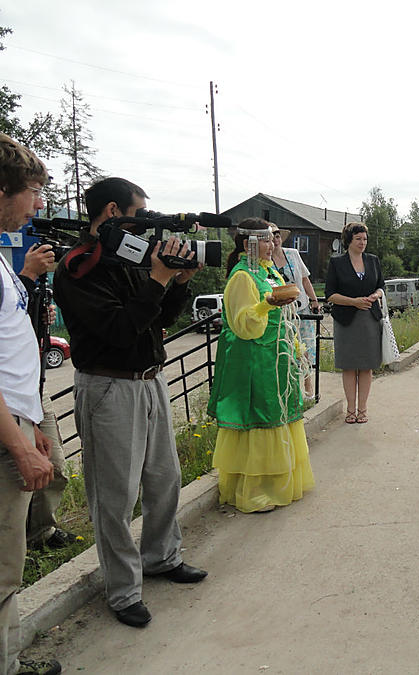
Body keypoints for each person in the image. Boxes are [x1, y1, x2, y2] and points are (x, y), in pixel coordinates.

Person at [53, 177, 207, 630]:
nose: (145, 229)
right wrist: (157, 278)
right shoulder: (79, 266)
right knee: (116, 495)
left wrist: (176, 283)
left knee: (164, 478)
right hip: (108, 387)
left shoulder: (129, 258)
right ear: (114, 212)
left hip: (150, 380)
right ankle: (123, 590)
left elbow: (157, 322)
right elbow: (121, 330)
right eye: (139, 217)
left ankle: (161, 557)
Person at [0, 133, 61, 675]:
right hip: (4, 437)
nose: (40, 202)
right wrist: (18, 444)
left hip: (17, 422)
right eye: (34, 190)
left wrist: (32, 421)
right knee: (1, 568)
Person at [207, 218, 315, 513]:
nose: (273, 244)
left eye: (273, 238)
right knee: (261, 418)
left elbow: (284, 317)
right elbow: (244, 324)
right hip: (256, 359)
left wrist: (296, 350)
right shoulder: (242, 277)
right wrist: (267, 303)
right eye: (266, 239)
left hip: (277, 358)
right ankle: (256, 491)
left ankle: (278, 483)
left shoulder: (269, 272)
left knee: (280, 417)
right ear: (249, 244)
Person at [16, 244, 78, 551]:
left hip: (35, 389)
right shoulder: (17, 280)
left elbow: (18, 330)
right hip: (12, 395)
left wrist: (39, 312)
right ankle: (18, 543)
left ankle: (41, 532)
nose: (38, 205)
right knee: (17, 477)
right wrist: (27, 275)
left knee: (54, 468)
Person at [325, 222, 385, 425]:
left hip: (370, 319)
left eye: (365, 239)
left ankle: (363, 409)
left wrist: (375, 296)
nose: (362, 242)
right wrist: (354, 302)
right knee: (349, 366)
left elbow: (381, 286)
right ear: (349, 240)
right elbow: (330, 295)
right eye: (358, 238)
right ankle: (350, 410)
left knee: (366, 367)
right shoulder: (337, 263)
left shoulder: (373, 261)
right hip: (346, 320)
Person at [271, 225, 319, 400]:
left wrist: (314, 300)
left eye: (277, 236)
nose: (275, 240)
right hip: (281, 312)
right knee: (285, 350)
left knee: (305, 350)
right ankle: (288, 391)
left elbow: (305, 279)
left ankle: (308, 389)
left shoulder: (292, 253)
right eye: (272, 236)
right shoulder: (265, 260)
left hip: (301, 308)